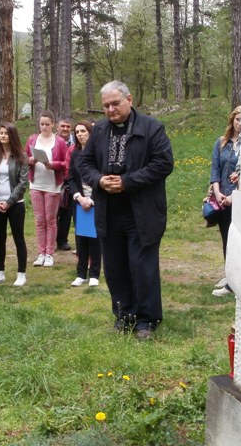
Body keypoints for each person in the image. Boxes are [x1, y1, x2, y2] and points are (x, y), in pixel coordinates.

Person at [78, 81, 174, 340]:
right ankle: (124, 314)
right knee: (116, 267)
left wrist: (127, 181)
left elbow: (164, 164)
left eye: (115, 103)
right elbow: (84, 163)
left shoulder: (152, 128)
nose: (111, 109)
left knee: (142, 266)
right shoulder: (99, 132)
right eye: (106, 106)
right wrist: (98, 180)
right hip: (109, 211)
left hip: (142, 211)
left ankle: (146, 320)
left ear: (129, 99)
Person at [0, 123, 29, 287]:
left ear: (12, 135)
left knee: (19, 238)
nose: (2, 136)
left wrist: (10, 201)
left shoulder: (21, 156)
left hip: (15, 204)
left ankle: (21, 273)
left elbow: (22, 182)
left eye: (6, 133)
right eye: (1, 133)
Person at [25, 111, 69, 267]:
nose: (44, 127)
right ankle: (41, 253)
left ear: (53, 124)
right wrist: (30, 160)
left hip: (52, 185)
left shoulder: (60, 142)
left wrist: (53, 164)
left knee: (50, 220)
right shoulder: (32, 139)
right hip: (35, 183)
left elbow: (66, 163)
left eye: (47, 124)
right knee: (39, 220)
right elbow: (25, 158)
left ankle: (50, 253)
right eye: (42, 124)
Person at [210, 106, 241, 297]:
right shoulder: (221, 143)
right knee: (225, 237)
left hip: (238, 199)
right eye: (237, 119)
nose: (240, 123)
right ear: (232, 121)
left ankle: (235, 282)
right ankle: (229, 274)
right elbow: (215, 169)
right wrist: (218, 192)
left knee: (237, 239)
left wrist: (233, 196)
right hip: (221, 197)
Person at [67, 120, 101, 287]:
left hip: (96, 201)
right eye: (77, 132)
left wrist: (92, 199)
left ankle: (94, 273)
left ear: (90, 132)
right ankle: (81, 273)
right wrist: (79, 197)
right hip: (79, 202)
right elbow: (71, 178)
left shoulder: (98, 153)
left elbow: (101, 177)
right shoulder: (75, 154)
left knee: (95, 238)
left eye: (83, 131)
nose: (79, 134)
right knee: (81, 238)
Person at [56, 117, 74, 251]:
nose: (65, 129)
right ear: (57, 127)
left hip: (70, 181)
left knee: (67, 213)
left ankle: (62, 240)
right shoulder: (52, 141)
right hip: (53, 180)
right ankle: (50, 241)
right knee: (52, 213)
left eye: (68, 126)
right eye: (63, 126)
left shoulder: (76, 142)